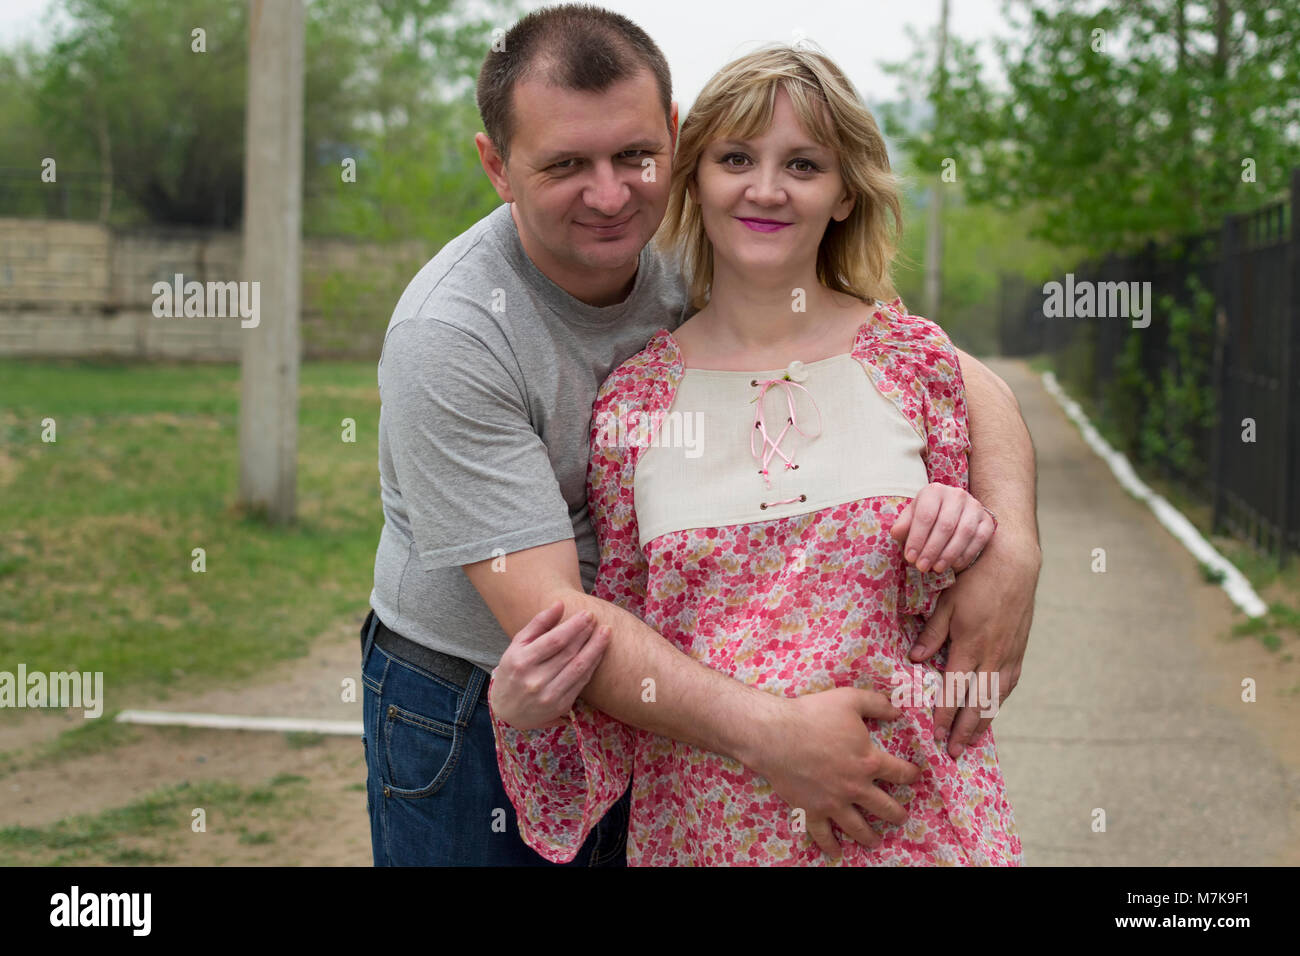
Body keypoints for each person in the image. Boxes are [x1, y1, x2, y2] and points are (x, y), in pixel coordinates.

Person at [363, 2, 1040, 867]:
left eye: (634, 156)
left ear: (672, 140)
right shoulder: (451, 335)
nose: (609, 195)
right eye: (566, 163)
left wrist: (1010, 543)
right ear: (497, 165)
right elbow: (561, 622)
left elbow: (952, 376)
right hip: (476, 689)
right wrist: (780, 737)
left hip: (715, 734)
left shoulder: (709, 242)